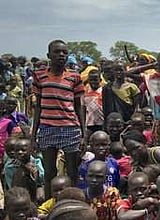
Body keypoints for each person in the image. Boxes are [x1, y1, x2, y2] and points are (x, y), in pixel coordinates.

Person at [31, 40, 85, 199]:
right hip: (47, 127)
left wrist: (84, 134)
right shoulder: (39, 76)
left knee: (72, 172)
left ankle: (72, 202)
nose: (61, 55)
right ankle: (49, 205)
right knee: (49, 172)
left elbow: (79, 106)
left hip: (70, 128)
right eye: (57, 52)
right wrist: (33, 136)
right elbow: (38, 107)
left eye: (64, 52)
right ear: (49, 55)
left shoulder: (74, 77)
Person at [4, 136, 44, 202]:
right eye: (17, 150)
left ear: (30, 150)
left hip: (35, 189)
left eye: (23, 150)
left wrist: (34, 172)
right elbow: (11, 186)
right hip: (18, 192)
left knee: (40, 195)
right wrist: (23, 167)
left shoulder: (36, 161)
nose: (20, 152)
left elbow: (42, 179)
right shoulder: (10, 166)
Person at [84, 69, 104, 142]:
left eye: (95, 79)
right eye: (91, 80)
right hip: (89, 124)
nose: (93, 82)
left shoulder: (104, 91)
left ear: (100, 80)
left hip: (102, 123)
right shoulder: (85, 92)